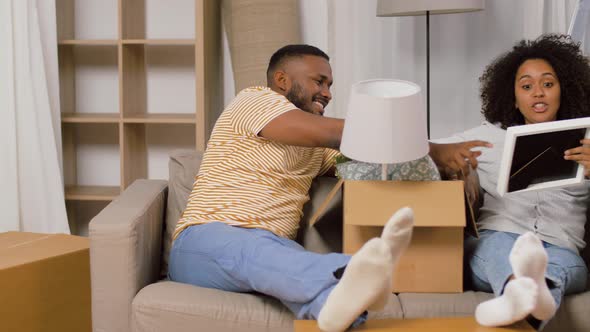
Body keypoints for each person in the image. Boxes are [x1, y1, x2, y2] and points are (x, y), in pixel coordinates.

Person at [168, 44, 484, 332]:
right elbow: (347, 133)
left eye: (329, 85)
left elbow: (382, 158)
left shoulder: (317, 149)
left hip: (275, 250)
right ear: (282, 80)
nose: (327, 93)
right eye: (319, 81)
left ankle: (343, 295)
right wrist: (434, 148)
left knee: (331, 303)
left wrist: (449, 167)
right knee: (252, 252)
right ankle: (355, 269)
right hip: (204, 239)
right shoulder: (254, 100)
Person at [437, 34, 590, 329]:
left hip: (561, 249)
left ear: (564, 90)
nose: (538, 94)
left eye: (548, 84)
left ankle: (521, 299)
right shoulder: (489, 137)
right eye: (527, 86)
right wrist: (450, 160)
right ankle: (530, 296)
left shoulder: (588, 142)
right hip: (498, 239)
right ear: (514, 98)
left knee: (556, 266)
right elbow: (426, 150)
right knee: (496, 248)